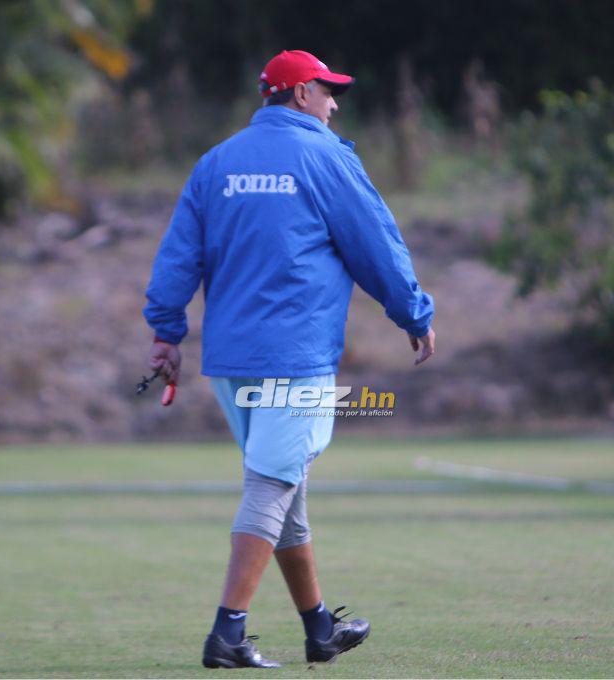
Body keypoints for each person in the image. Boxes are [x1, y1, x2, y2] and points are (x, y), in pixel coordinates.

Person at [143, 49, 436, 669]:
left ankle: (319, 627)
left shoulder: (217, 163)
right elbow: (375, 244)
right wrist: (414, 313)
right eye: (329, 91)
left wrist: (166, 332)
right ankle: (228, 632)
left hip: (230, 360)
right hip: (294, 356)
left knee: (286, 491)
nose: (335, 103)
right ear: (300, 93)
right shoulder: (325, 156)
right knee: (272, 484)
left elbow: (178, 255)